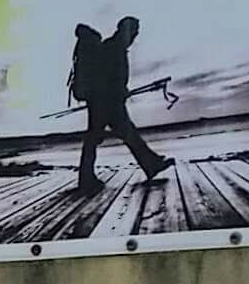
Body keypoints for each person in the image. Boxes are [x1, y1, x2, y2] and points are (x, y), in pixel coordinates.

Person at [72, 16, 174, 194]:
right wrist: (119, 90)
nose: (135, 36)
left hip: (105, 102)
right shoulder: (113, 48)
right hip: (106, 102)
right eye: (134, 32)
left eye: (137, 33)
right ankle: (150, 164)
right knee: (102, 136)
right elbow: (106, 78)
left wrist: (121, 89)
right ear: (125, 30)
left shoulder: (114, 47)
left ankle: (150, 164)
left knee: (109, 136)